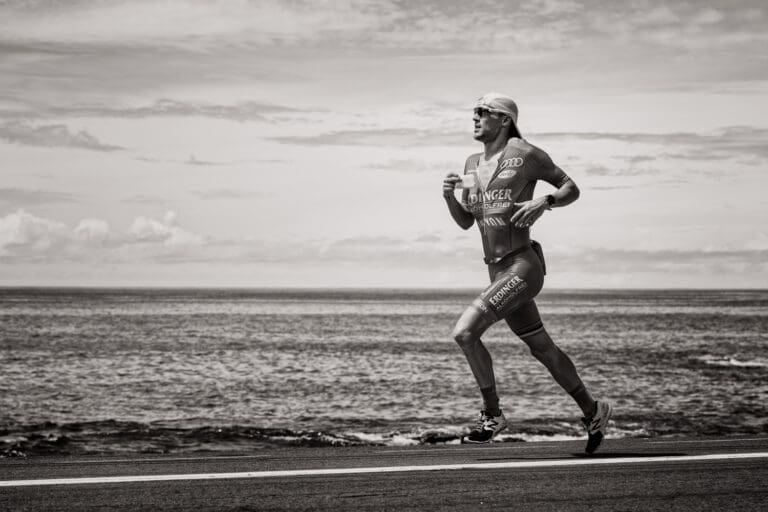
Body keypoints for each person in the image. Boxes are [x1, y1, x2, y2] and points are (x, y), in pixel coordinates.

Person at [442, 92, 612, 454]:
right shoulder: (473, 162)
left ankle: (492, 414)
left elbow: (571, 187)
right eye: (474, 112)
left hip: (522, 267)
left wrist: (544, 200)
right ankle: (593, 410)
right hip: (497, 271)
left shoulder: (526, 154)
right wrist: (448, 199)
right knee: (542, 348)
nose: (475, 118)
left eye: (483, 112)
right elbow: (467, 223)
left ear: (504, 120)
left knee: (465, 333)